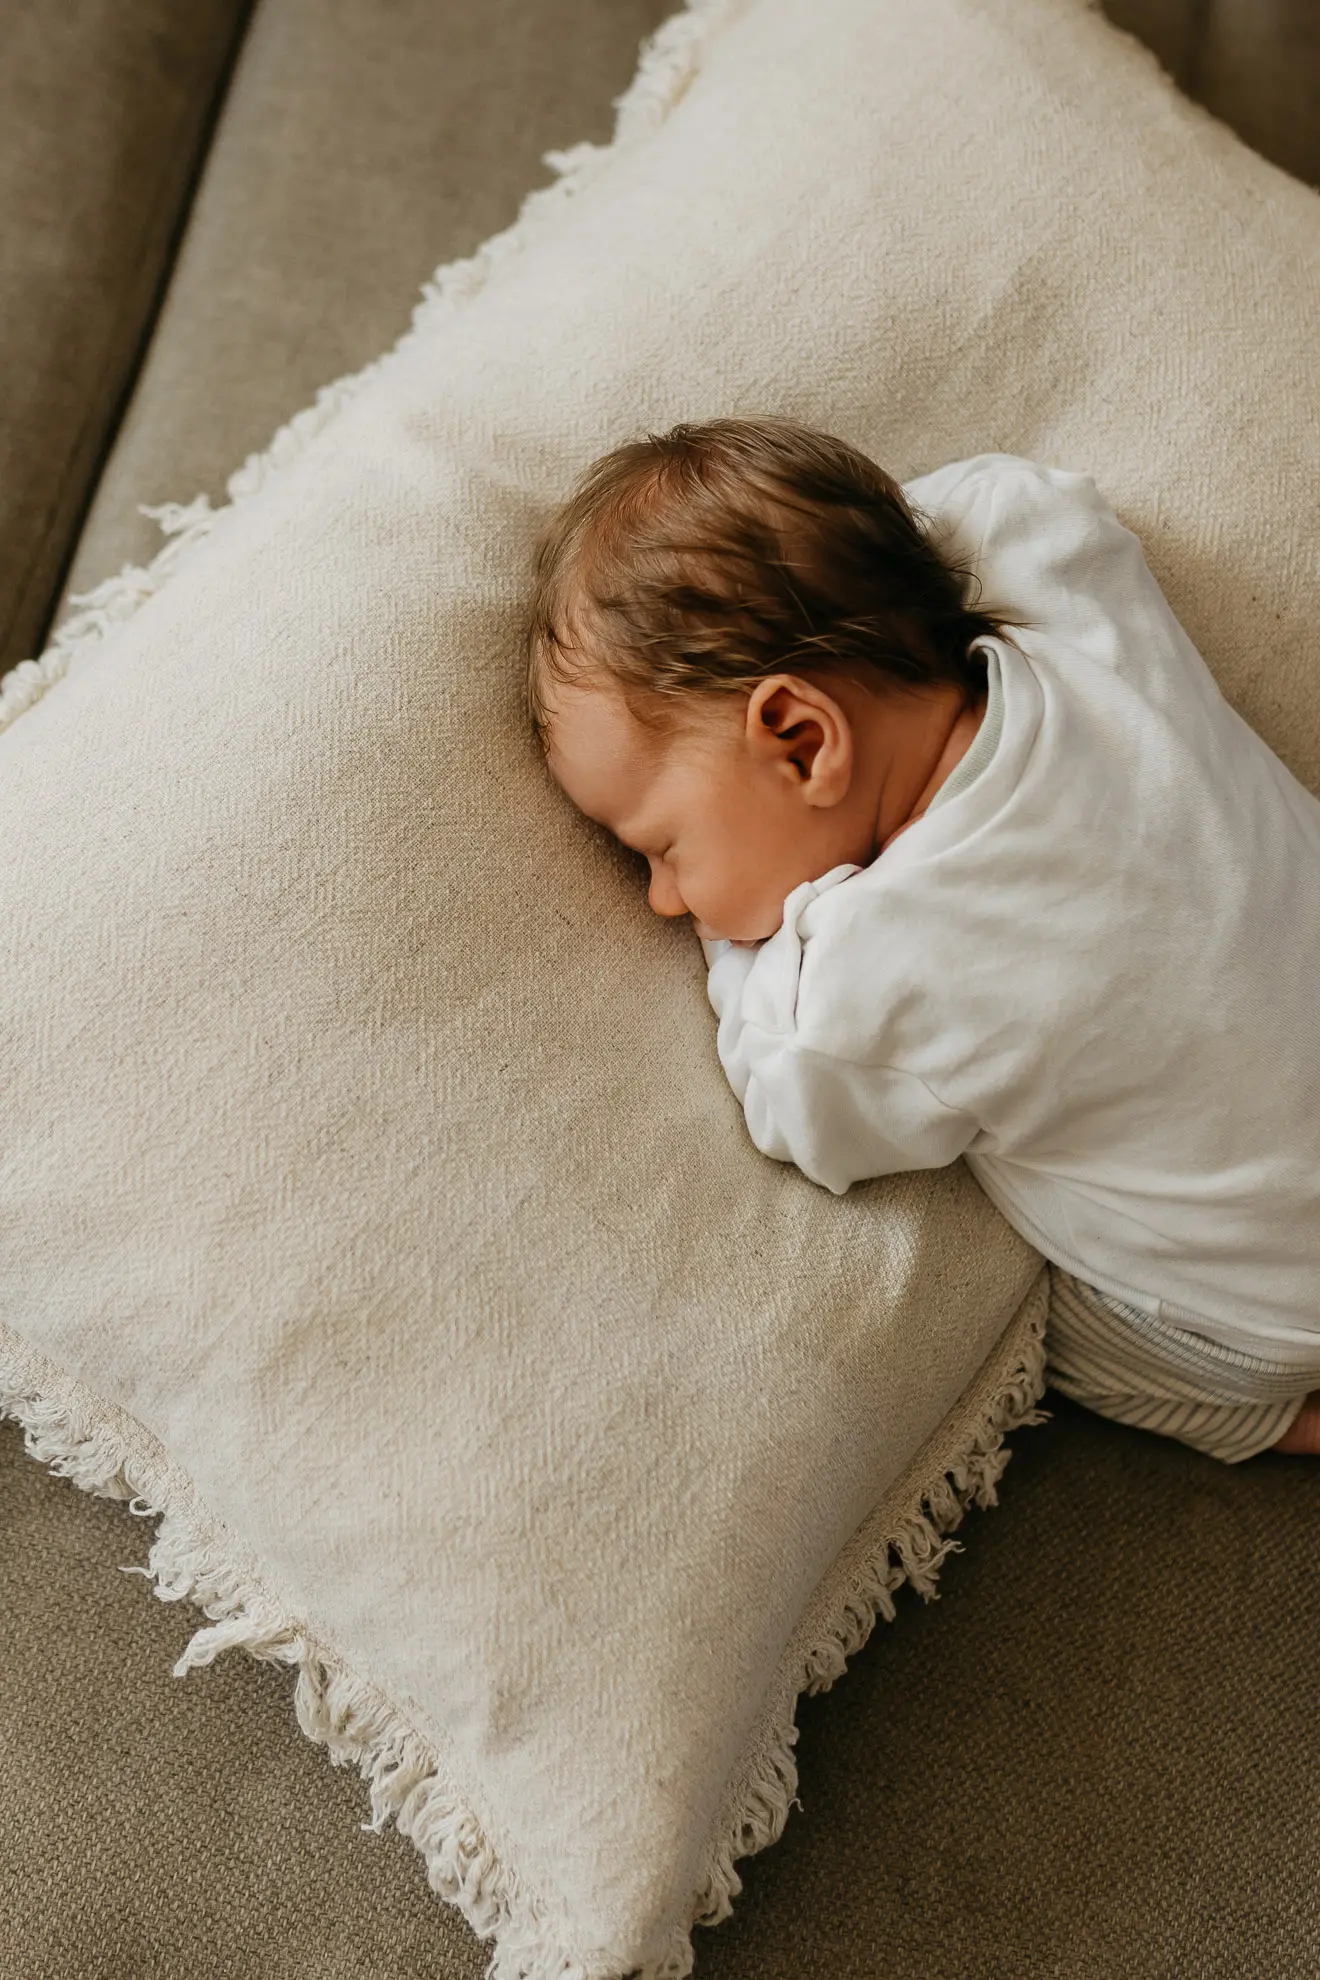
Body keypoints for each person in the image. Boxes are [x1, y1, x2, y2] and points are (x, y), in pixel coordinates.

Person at [525, 415, 1320, 1462]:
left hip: (1263, 1313)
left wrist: (747, 947)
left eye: (661, 845)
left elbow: (790, 1098)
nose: (663, 900)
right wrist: (864, 577)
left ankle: (1287, 1424)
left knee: (1060, 1340)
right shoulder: (1068, 621)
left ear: (803, 740)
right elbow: (1017, 496)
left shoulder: (875, 975)